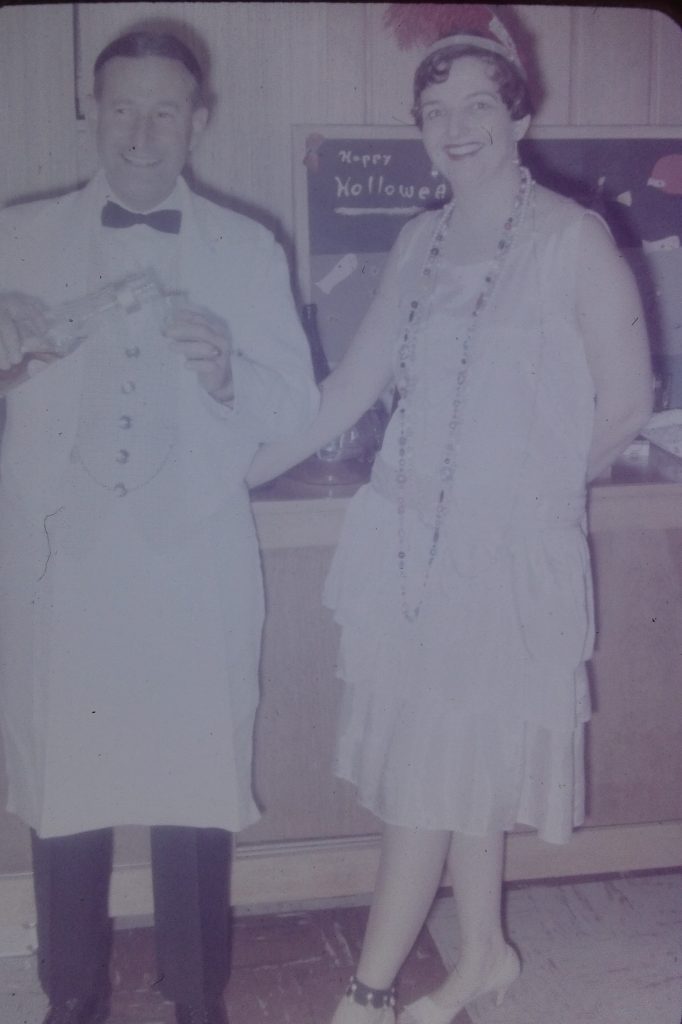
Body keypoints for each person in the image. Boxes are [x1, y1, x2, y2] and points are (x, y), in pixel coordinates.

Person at [246, 7, 653, 1024]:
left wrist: (533, 498)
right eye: (437, 109)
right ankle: (484, 956)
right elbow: (351, 385)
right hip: (403, 547)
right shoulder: (417, 238)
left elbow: (628, 399)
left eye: (479, 104)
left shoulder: (573, 238)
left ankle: (368, 988)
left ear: (519, 116)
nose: (457, 123)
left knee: (429, 778)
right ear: (419, 127)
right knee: (450, 765)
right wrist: (243, 466)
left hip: (501, 560)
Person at [0, 26, 317, 1024]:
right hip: (67, 561)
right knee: (67, 793)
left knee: (192, 791)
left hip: (189, 563)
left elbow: (294, 411)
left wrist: (229, 373)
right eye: (122, 107)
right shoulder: (15, 238)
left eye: (164, 109)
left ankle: (196, 997)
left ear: (199, 120)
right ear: (92, 111)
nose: (141, 131)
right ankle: (73, 996)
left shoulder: (245, 246)